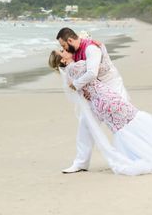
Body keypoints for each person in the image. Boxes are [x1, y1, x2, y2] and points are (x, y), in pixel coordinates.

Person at [48, 50, 152, 175]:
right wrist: (95, 47)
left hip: (99, 104)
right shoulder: (78, 66)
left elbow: (83, 87)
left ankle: (138, 154)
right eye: (62, 51)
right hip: (107, 99)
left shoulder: (70, 74)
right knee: (133, 120)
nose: (65, 50)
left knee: (122, 129)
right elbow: (101, 68)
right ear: (63, 60)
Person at [55, 27, 128, 173]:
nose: (63, 49)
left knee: (121, 123)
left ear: (70, 40)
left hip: (111, 86)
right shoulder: (74, 53)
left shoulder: (91, 48)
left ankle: (128, 156)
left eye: (63, 45)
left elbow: (92, 73)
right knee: (86, 123)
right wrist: (86, 90)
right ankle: (81, 163)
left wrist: (76, 86)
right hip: (93, 92)